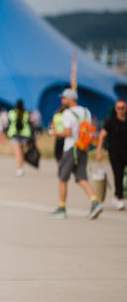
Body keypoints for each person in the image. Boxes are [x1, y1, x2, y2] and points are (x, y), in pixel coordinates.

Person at [49, 88, 103, 220]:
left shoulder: (68, 113)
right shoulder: (86, 112)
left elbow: (67, 133)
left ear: (70, 99)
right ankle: (95, 202)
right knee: (81, 177)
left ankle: (62, 208)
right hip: (83, 147)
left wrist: (55, 133)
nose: (62, 100)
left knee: (63, 178)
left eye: (64, 98)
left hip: (71, 148)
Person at [96, 98, 127, 210]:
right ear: (116, 109)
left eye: (123, 108)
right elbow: (102, 136)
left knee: (123, 176)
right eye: (118, 108)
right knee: (118, 175)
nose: (121, 110)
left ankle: (117, 196)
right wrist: (99, 151)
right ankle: (118, 198)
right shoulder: (110, 122)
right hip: (115, 154)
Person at [7, 99, 33, 177]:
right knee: (21, 152)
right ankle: (21, 167)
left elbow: (9, 123)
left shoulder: (11, 113)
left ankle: (19, 168)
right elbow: (30, 123)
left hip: (15, 134)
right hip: (25, 134)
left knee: (17, 153)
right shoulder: (26, 113)